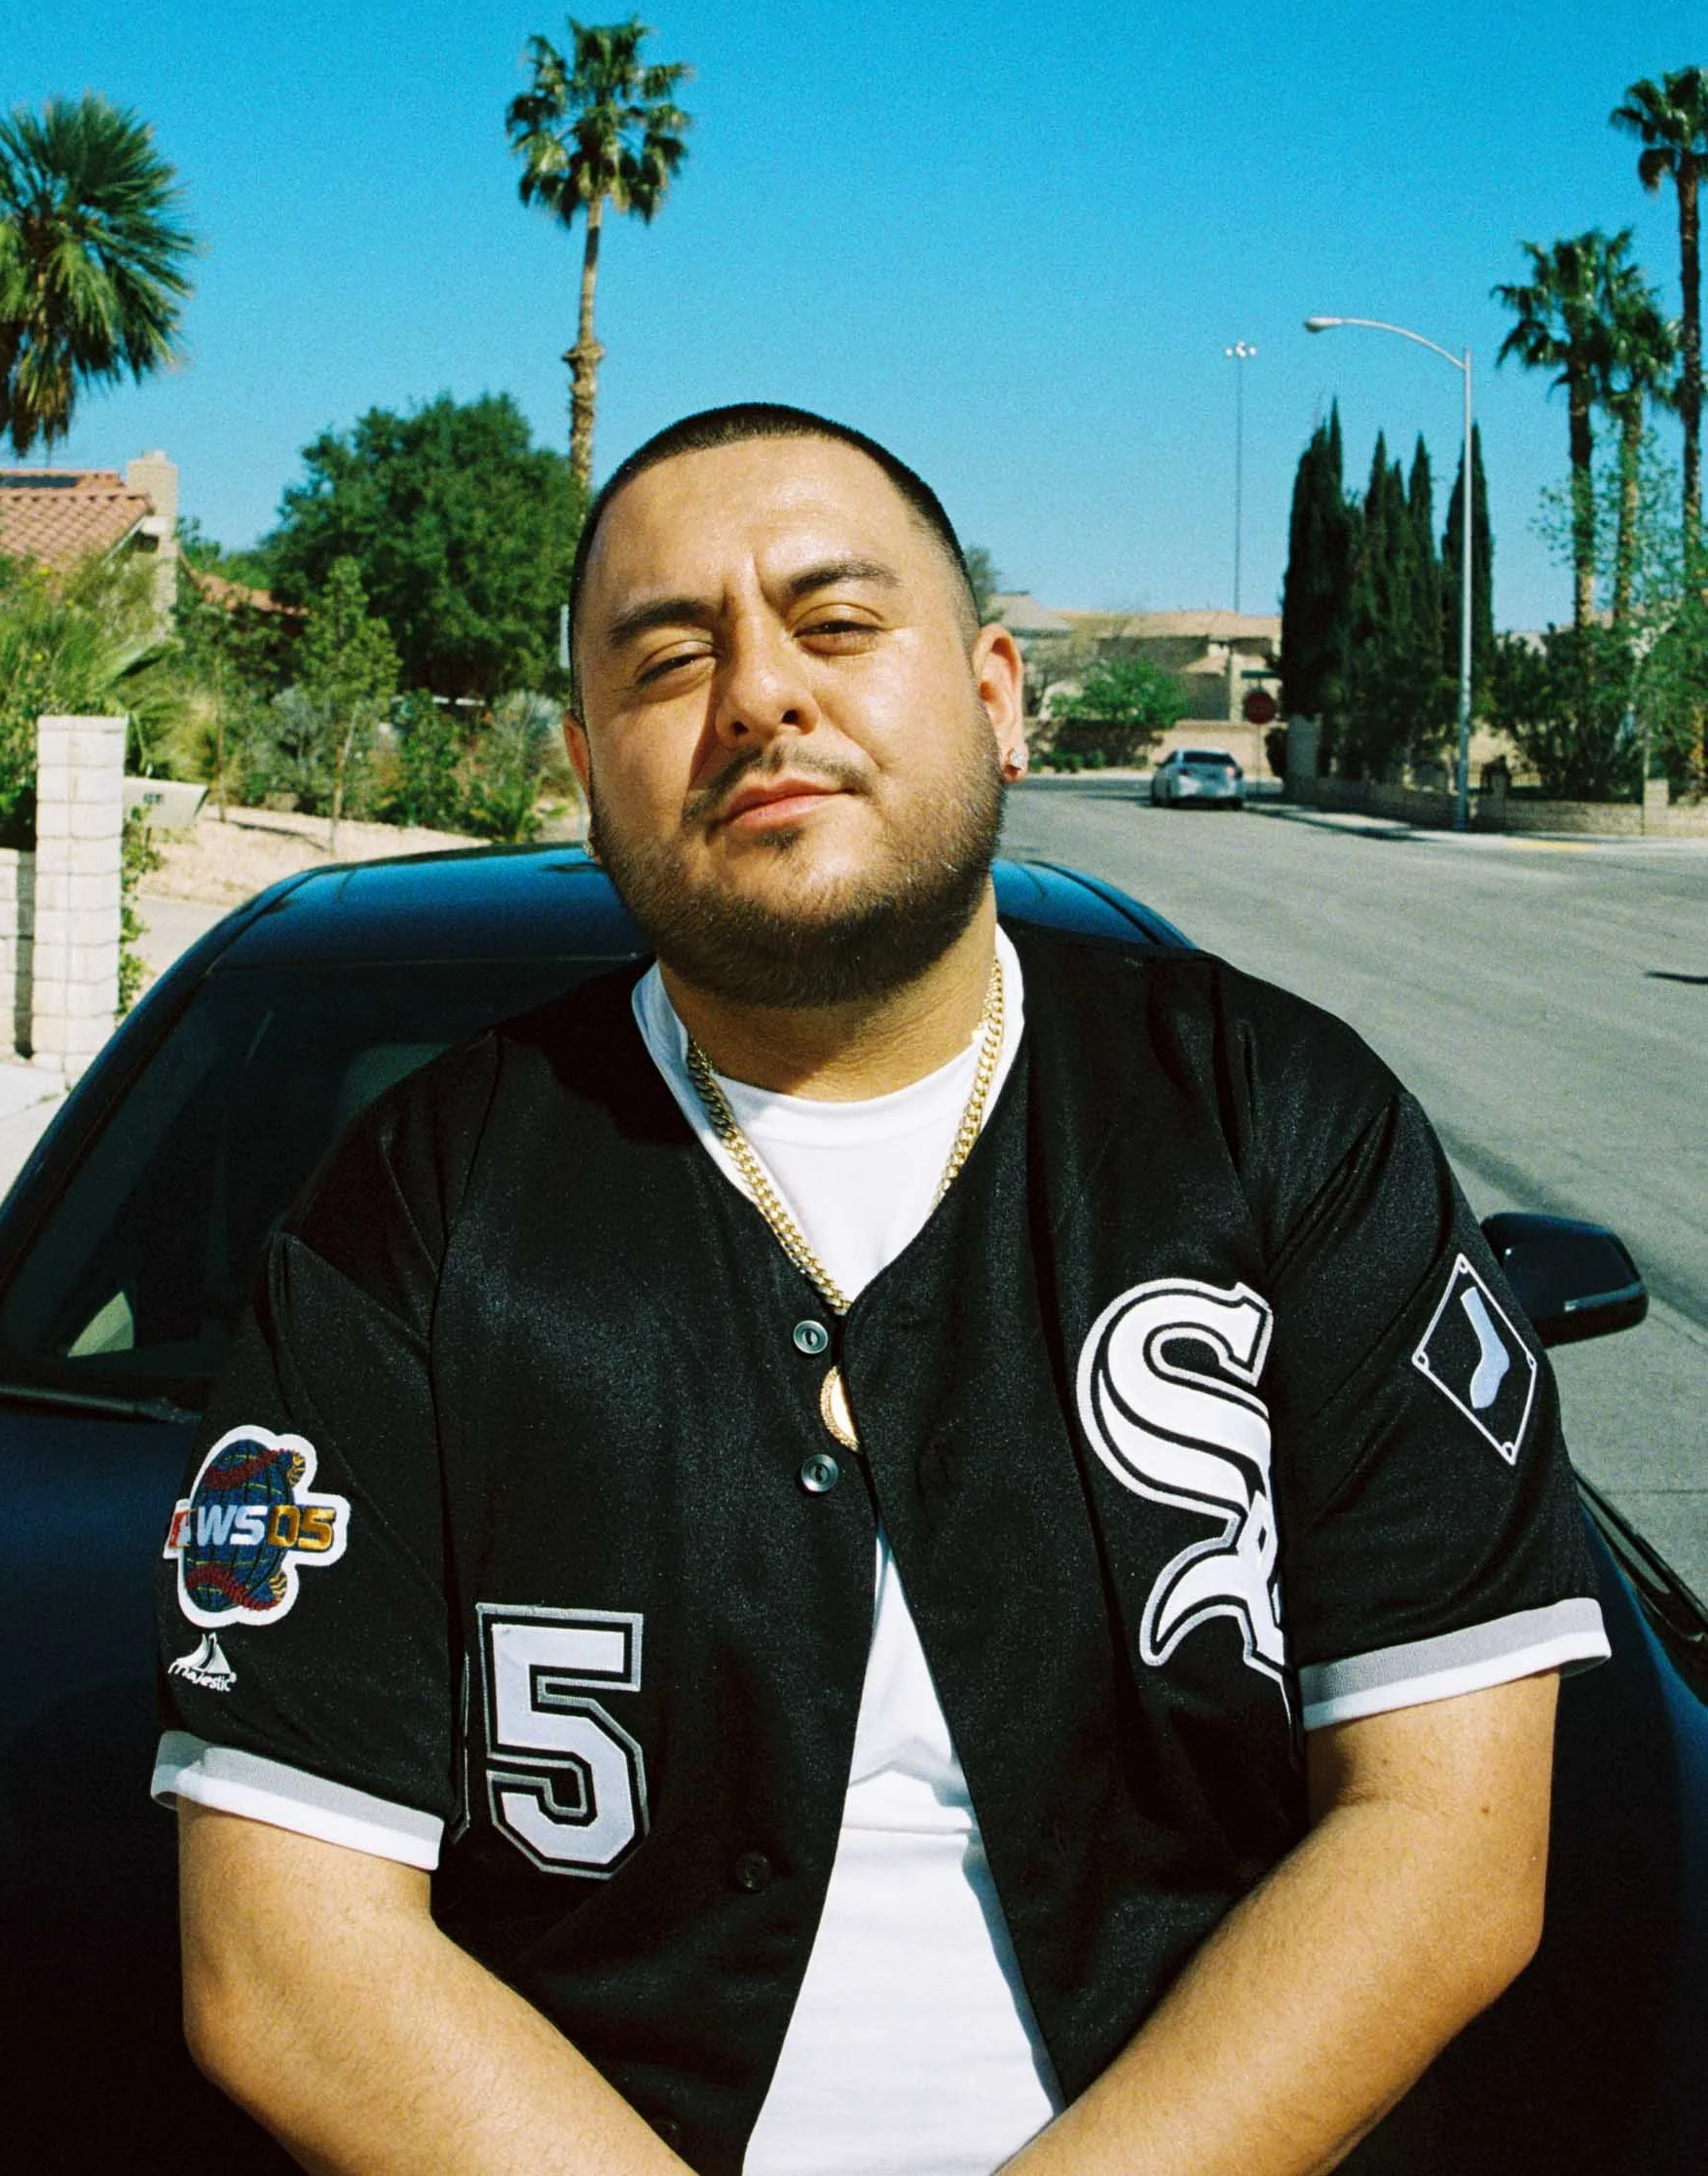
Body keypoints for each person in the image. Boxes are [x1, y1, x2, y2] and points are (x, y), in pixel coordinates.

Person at [155, 403, 1608, 2176]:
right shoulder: (413, 1205)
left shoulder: (1276, 1124)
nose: (759, 691)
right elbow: (285, 1956)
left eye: (836, 625)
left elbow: (1445, 1850)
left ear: (995, 693)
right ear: (586, 762)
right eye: (668, 655)